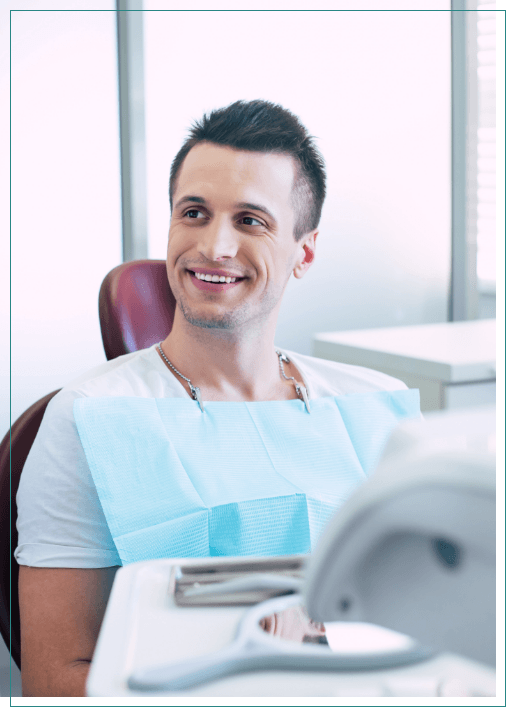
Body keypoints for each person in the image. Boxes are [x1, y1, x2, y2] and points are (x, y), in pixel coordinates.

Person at [16, 100, 416, 696]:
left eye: (251, 220)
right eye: (194, 213)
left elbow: (426, 624)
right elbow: (54, 679)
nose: (214, 247)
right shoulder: (89, 419)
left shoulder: (377, 410)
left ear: (303, 252)